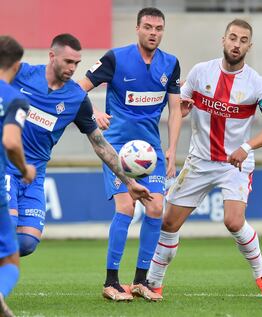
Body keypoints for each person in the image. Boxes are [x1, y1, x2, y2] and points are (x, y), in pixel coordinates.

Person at [147, 19, 262, 300]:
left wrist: (246, 146)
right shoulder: (199, 73)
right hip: (200, 160)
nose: (237, 44)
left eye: (243, 40)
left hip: (235, 163)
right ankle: (153, 282)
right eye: (233, 38)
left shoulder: (257, 84)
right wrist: (182, 109)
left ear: (249, 46)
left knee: (234, 222)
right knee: (169, 223)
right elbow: (178, 108)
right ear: (223, 40)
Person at [6, 34, 152, 260]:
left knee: (26, 242)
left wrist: (130, 182)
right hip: (5, 166)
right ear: (52, 56)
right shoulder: (21, 74)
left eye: (77, 63)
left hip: (34, 175)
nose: (73, 68)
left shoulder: (76, 98)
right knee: (6, 231)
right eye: (68, 62)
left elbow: (100, 144)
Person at [78, 7, 182, 302]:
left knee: (155, 209)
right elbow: (76, 90)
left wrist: (172, 148)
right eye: (148, 27)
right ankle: (111, 281)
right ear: (137, 29)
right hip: (118, 151)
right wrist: (94, 112)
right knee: (126, 209)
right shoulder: (115, 58)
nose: (153, 33)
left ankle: (140, 281)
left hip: (151, 152)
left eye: (159, 28)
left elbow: (175, 109)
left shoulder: (170, 64)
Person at [0, 35, 36, 317]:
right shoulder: (15, 99)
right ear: (17, 65)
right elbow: (11, 142)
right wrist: (25, 169)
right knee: (10, 256)